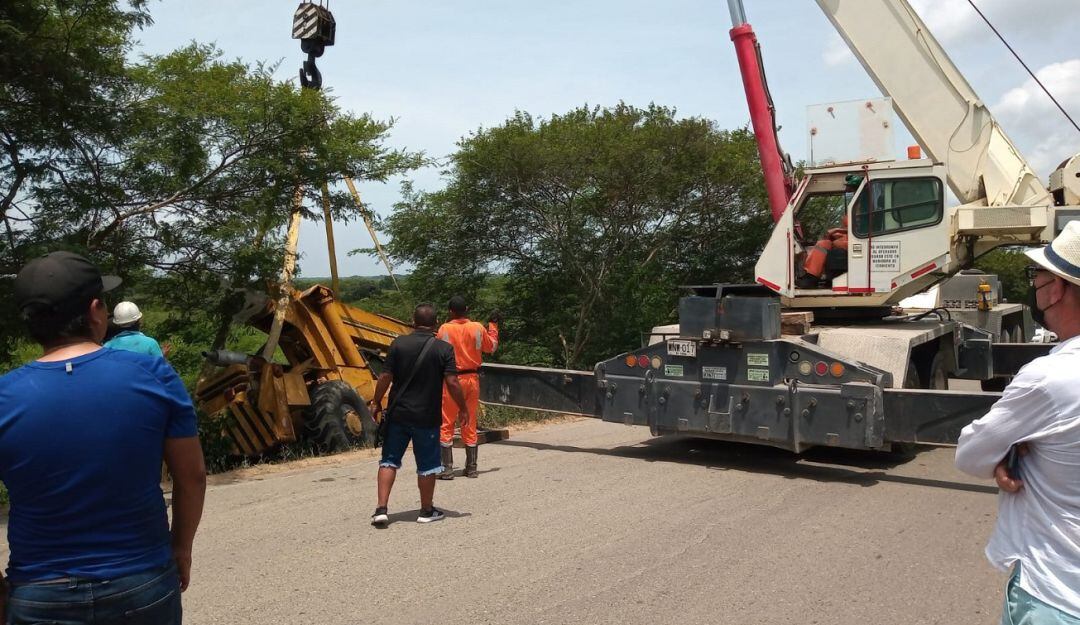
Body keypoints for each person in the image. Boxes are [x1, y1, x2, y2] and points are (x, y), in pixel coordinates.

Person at [0, 251, 207, 625]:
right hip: (142, 582)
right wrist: (181, 547)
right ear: (96, 310)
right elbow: (191, 476)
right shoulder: (154, 373)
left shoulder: (5, 396)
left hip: (39, 593)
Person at [955, 221, 1080, 623]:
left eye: (1037, 275)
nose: (1036, 285)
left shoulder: (1049, 379)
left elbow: (971, 456)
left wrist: (1008, 450)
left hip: (1056, 595)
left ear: (1057, 288)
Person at [367, 303, 469, 526]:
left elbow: (385, 377)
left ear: (413, 321)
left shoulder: (398, 344)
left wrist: (376, 402)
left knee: (389, 461)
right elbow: (452, 382)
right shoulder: (443, 348)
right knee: (427, 465)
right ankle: (426, 511)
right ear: (436, 324)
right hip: (427, 416)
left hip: (398, 415)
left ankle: (381, 509)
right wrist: (462, 407)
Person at [437, 295, 500, 479]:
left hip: (451, 381)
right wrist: (493, 326)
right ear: (467, 309)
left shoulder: (444, 329)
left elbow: (437, 353)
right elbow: (492, 347)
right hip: (472, 379)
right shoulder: (478, 328)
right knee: (470, 421)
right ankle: (471, 468)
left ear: (450, 311)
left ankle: (447, 469)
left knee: (446, 422)